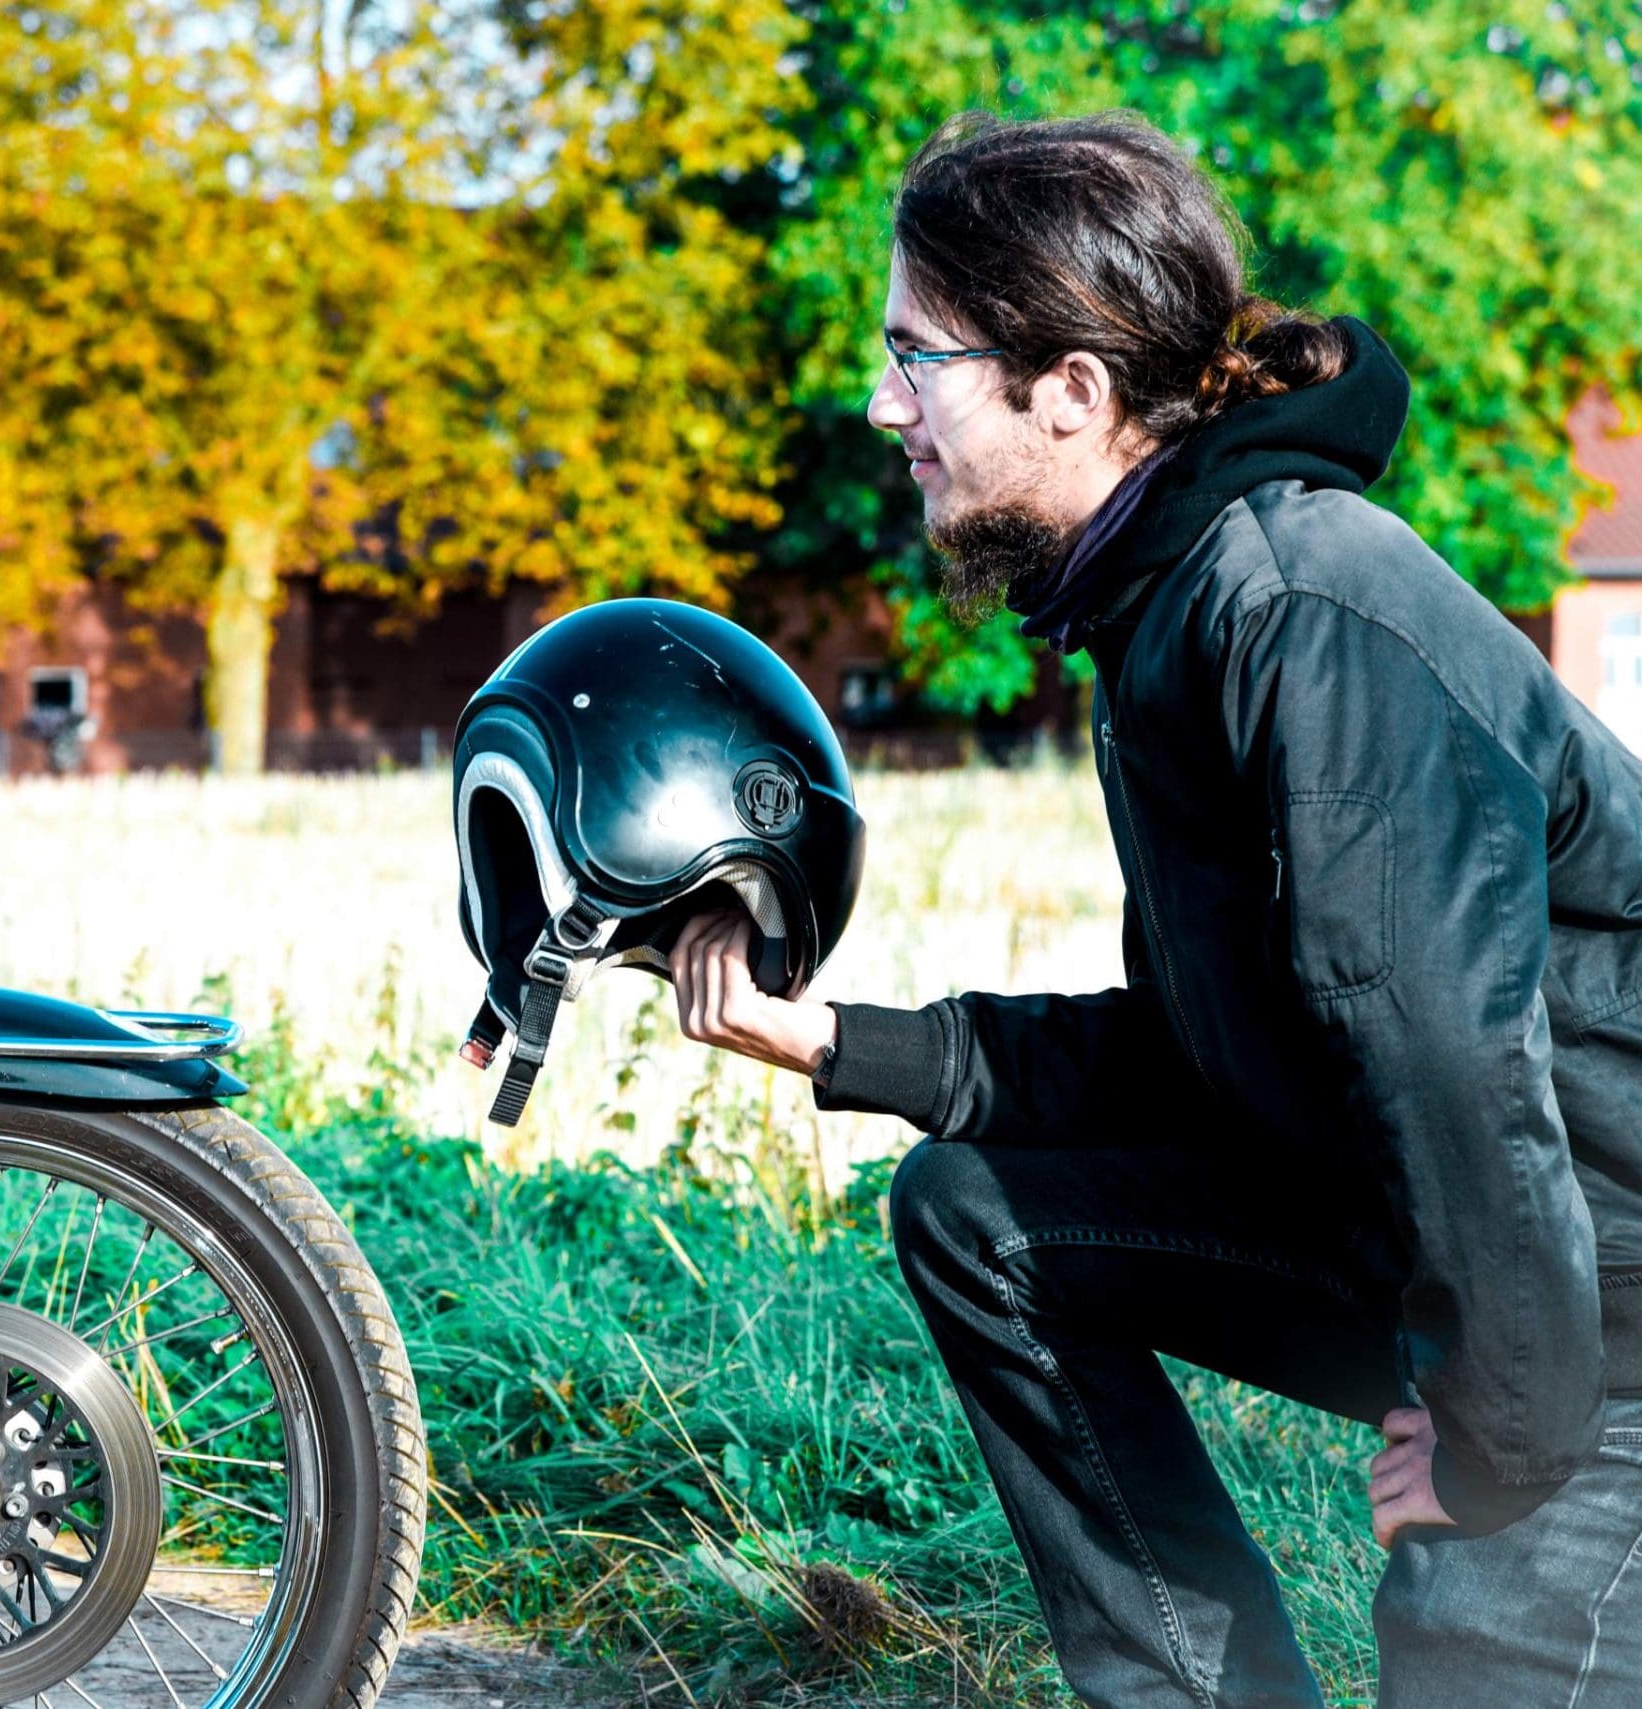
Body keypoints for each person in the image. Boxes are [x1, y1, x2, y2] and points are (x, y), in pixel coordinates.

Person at [668, 108, 1642, 1708]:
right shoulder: (1162, 607)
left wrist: (1500, 1441)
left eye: (917, 356)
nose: (878, 401)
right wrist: (840, 1040)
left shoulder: (1296, 609)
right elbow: (1207, 1062)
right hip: (1452, 1244)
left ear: (1072, 391)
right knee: (984, 1218)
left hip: (1598, 1311)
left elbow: (1454, 1070)